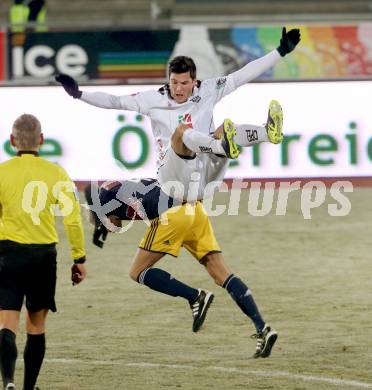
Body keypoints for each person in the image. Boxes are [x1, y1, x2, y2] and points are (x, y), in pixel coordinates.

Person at [57, 27, 300, 358]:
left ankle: (251, 136)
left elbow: (243, 75)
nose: (179, 89)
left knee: (185, 135)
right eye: (174, 83)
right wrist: (79, 94)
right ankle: (263, 327)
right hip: (183, 184)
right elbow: (114, 101)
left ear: (194, 81)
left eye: (184, 83)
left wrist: (280, 52)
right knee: (220, 271)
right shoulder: (152, 99)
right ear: (167, 80)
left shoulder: (209, 90)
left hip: (187, 188)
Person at [0, 114, 87, 390]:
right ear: (42, 141)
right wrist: (79, 258)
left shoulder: (2, 172)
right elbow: (72, 218)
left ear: (12, 141)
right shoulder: (56, 173)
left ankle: (8, 382)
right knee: (36, 326)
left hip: (8, 253)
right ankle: (28, 388)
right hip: (43, 256)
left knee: (6, 322)